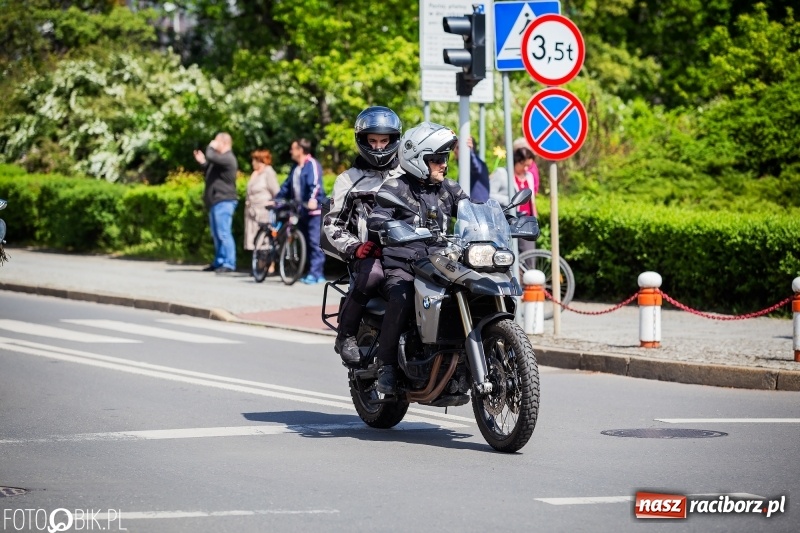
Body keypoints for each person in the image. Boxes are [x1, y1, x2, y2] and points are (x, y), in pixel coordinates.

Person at [367, 122, 469, 394]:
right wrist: (387, 227)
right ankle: (387, 365)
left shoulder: (449, 188)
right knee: (402, 297)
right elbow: (377, 218)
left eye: (444, 159)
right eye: (436, 159)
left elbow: (471, 210)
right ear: (417, 160)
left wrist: (503, 217)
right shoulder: (396, 188)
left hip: (442, 266)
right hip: (405, 268)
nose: (443, 165)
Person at [322, 106, 403, 365]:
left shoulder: (407, 175)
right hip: (370, 255)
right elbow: (332, 224)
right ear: (362, 141)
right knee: (374, 275)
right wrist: (355, 247)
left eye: (384, 141)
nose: (379, 147)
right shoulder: (348, 180)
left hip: (407, 254)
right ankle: (345, 335)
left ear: (394, 140)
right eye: (373, 141)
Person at [275, 138, 327, 284]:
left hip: (313, 211)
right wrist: (277, 199)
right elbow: (287, 186)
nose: (291, 151)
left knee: (314, 242)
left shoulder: (312, 165)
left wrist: (313, 200)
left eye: (293, 148)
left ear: (300, 150)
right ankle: (313, 272)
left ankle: (316, 273)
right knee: (305, 241)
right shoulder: (296, 168)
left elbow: (316, 184)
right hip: (301, 211)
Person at [193, 132, 238, 275]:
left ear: (224, 143)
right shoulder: (220, 160)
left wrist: (210, 147)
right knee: (217, 234)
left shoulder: (227, 158)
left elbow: (211, 156)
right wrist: (202, 163)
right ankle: (219, 261)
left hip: (224, 200)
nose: (213, 143)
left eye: (216, 142)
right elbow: (210, 171)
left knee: (224, 233)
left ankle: (229, 263)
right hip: (216, 201)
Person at [244, 149, 279, 254]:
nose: (252, 163)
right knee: (254, 240)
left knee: (265, 241)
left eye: (254, 160)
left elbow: (276, 191)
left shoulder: (269, 172)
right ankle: (258, 266)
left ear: (260, 161)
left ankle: (268, 266)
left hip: (264, 211)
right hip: (252, 211)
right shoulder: (255, 173)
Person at [453, 136, 490, 202]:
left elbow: (476, 167)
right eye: (454, 147)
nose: (454, 150)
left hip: (477, 210)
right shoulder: (465, 167)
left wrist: (469, 152)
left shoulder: (478, 164)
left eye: (458, 147)